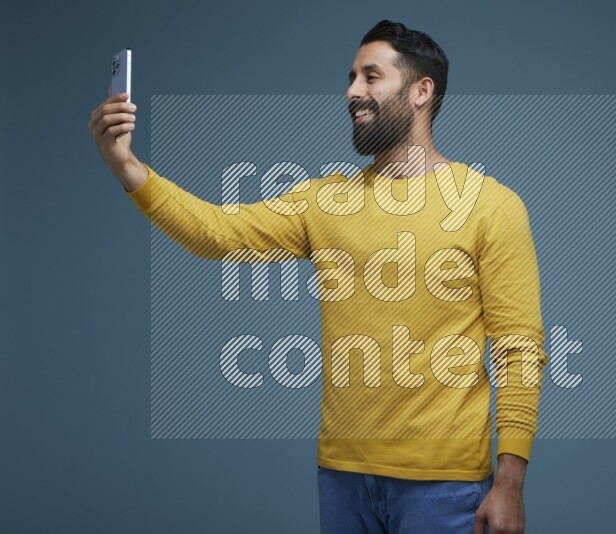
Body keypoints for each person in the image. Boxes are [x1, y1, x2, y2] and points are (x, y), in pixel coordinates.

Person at [89, 19, 548, 534]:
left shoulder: (492, 206)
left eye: (370, 77)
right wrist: (126, 167)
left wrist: (509, 483)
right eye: (351, 77)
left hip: (445, 486)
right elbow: (217, 232)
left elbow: (518, 348)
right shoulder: (325, 201)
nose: (352, 91)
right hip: (341, 478)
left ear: (422, 91)